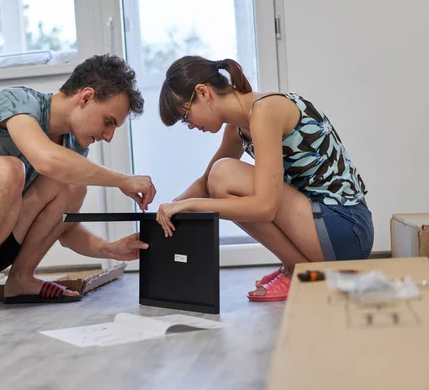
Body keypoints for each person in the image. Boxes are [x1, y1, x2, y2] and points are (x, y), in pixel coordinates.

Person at [0, 54, 156, 320]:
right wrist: (122, 180)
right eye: (109, 122)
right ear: (85, 97)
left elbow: (62, 227)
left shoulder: (72, 147)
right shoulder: (19, 101)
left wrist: (109, 249)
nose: (108, 136)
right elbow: (45, 159)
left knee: (72, 185)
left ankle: (21, 279)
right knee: (8, 169)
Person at [155, 55, 373, 302]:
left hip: (347, 227)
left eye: (186, 117)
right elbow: (206, 183)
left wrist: (192, 206)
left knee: (224, 174)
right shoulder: (238, 127)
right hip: (325, 226)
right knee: (219, 175)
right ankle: (299, 268)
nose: (191, 126)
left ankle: (297, 271)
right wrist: (170, 208)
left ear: (203, 93)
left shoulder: (265, 110)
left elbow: (265, 206)